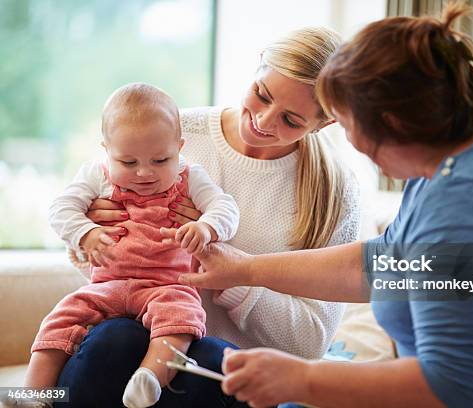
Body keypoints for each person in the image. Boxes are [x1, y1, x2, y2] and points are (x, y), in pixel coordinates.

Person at [178, 3, 473, 408]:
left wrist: (302, 380)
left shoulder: (466, 207)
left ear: (394, 125)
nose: (348, 140)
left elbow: (454, 385)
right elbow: (388, 264)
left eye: (346, 123)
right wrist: (245, 270)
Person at [56, 28, 360, 407]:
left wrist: (236, 274)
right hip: (128, 344)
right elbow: (101, 267)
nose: (264, 121)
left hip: (223, 377)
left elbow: (312, 343)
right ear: (259, 60)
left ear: (325, 123)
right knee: (114, 339)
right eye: (262, 94)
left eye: (292, 120)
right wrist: (93, 233)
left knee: (218, 360)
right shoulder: (172, 133)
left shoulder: (334, 191)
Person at [24, 83, 239, 408]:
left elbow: (226, 208)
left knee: (181, 318)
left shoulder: (191, 177)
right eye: (127, 162)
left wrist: (207, 227)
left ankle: (150, 378)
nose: (143, 172)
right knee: (60, 320)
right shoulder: (97, 176)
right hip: (107, 285)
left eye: (160, 159)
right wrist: (85, 233)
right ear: (106, 151)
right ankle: (32, 395)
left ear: (179, 148)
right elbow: (60, 209)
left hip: (166, 285)